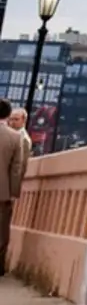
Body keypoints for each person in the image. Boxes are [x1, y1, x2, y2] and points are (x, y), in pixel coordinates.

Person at [0, 101, 27, 275]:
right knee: (1, 231)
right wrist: (13, 192)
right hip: (2, 193)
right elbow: (16, 169)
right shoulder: (16, 137)